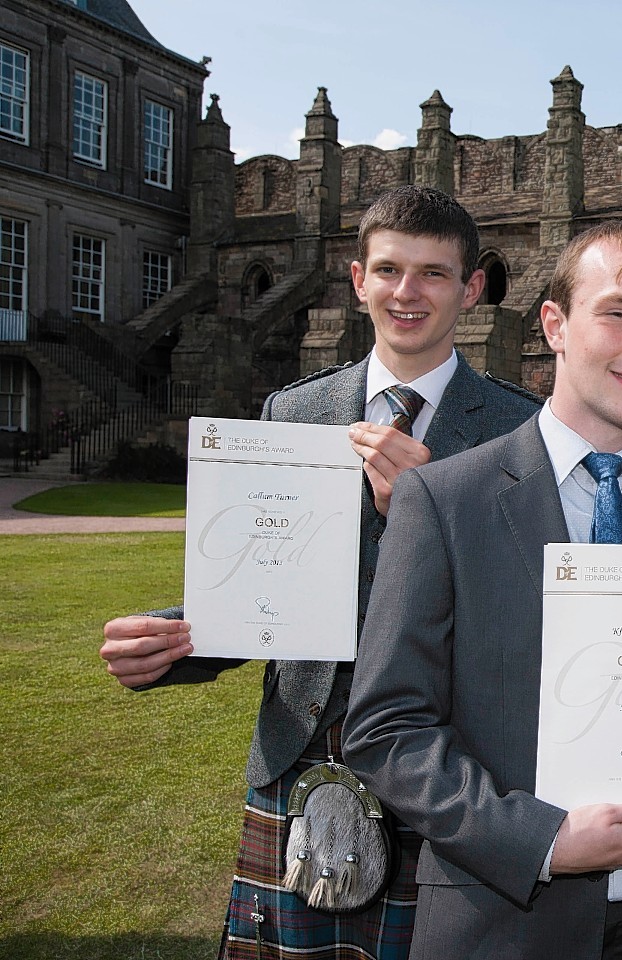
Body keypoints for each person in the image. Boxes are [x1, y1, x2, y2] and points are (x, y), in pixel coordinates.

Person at [98, 185, 540, 960]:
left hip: (448, 763)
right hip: (303, 750)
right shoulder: (294, 412)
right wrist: (174, 640)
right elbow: (271, 588)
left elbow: (532, 612)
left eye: (434, 274)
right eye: (390, 270)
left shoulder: (520, 428)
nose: (408, 293)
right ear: (357, 279)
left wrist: (432, 511)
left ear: (472, 288)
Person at [342, 221, 622, 960]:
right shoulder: (445, 502)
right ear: (555, 325)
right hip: (501, 921)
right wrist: (541, 839)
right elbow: (386, 729)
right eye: (620, 314)